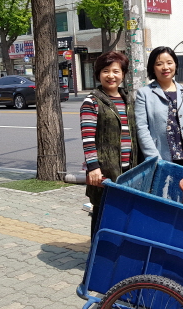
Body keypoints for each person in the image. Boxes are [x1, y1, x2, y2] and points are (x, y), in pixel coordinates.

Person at [80, 51, 140, 238]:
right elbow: (88, 138)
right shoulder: (92, 101)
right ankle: (96, 259)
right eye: (106, 71)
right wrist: (93, 168)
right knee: (101, 216)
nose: (111, 76)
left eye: (116, 71)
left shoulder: (129, 100)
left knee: (125, 215)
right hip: (105, 172)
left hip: (129, 170)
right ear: (98, 74)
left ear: (123, 74)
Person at [135, 46, 183, 168]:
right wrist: (155, 159)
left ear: (175, 65)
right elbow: (142, 129)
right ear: (153, 68)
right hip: (160, 158)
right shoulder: (144, 94)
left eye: (169, 63)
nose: (165, 67)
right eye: (159, 64)